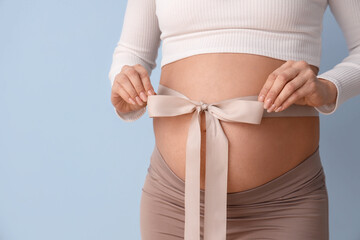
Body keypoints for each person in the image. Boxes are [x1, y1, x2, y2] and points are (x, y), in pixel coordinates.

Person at [108, 0, 360, 239]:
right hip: (174, 202)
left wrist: (330, 87)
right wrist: (125, 78)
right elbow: (131, 52)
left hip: (285, 203)